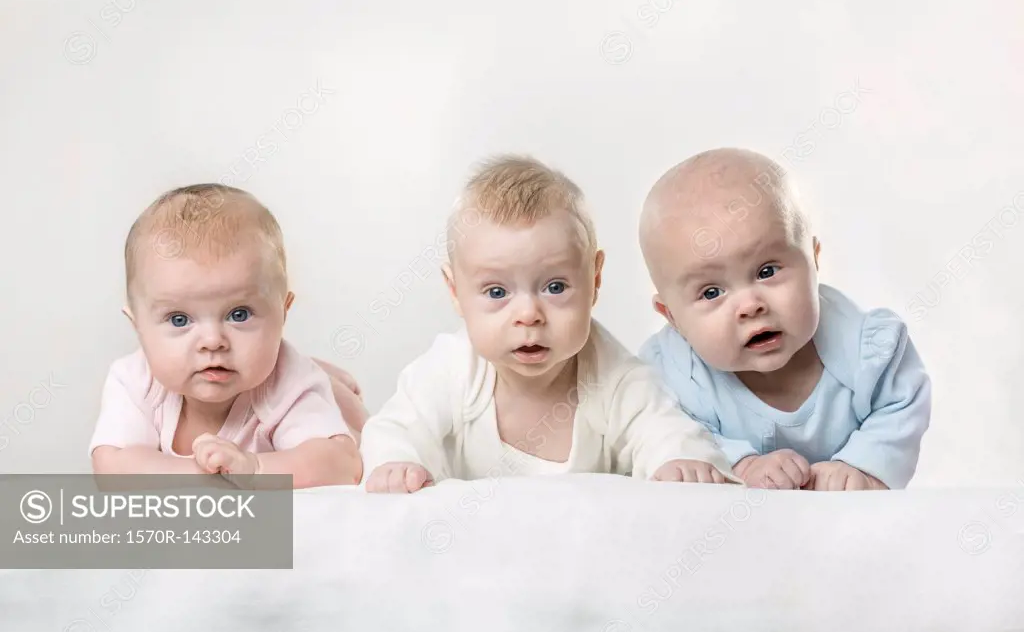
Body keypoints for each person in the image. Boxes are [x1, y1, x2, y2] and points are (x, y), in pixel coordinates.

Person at [359, 155, 736, 493]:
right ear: (455, 292)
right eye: (496, 292)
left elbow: (663, 427)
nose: (529, 315)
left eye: (555, 287)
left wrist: (678, 460)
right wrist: (396, 462)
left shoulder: (616, 377)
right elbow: (395, 427)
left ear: (595, 279)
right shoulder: (452, 369)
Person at [638, 147, 931, 490]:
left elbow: (902, 402)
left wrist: (862, 467)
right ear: (672, 318)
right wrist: (740, 465)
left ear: (814, 259)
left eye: (767, 271)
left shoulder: (867, 349)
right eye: (712, 292)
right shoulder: (670, 374)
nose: (750, 305)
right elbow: (659, 428)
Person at [89, 183, 366, 488]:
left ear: (284, 310)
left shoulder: (287, 381)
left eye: (239, 314)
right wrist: (208, 477)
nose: (212, 341)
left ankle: (334, 387)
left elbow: (342, 464)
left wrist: (254, 468)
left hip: (332, 414)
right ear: (137, 325)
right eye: (179, 319)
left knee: (361, 430)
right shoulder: (133, 380)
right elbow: (112, 467)